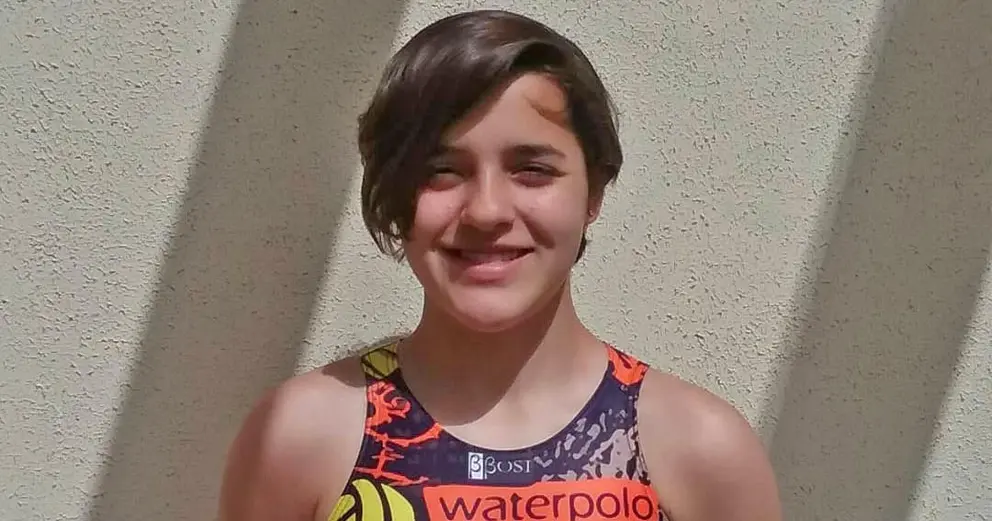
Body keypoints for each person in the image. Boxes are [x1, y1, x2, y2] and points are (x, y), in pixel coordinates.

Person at [219, 9, 781, 521]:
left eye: (532, 170)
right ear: (393, 193)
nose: (486, 211)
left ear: (594, 192)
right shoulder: (299, 438)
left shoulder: (698, 450)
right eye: (441, 171)